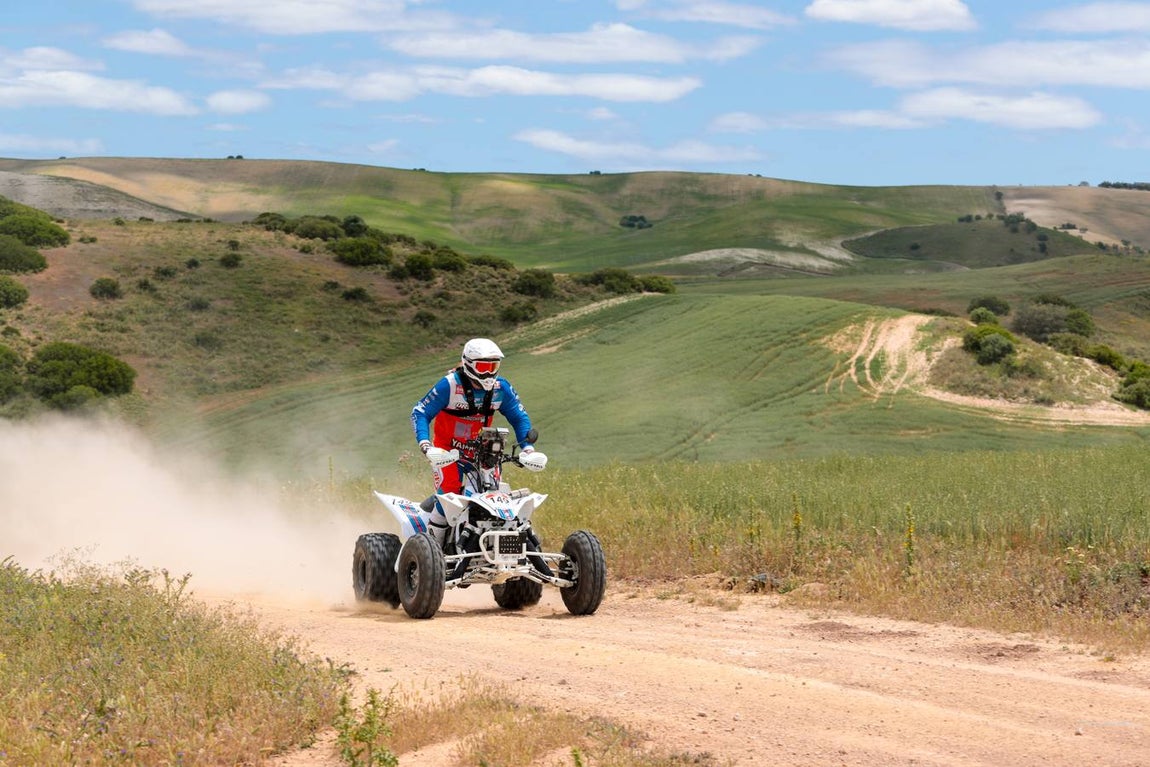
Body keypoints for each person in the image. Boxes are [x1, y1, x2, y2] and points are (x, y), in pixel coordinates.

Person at [410, 338, 547, 543]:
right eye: (483, 367)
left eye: (494, 366)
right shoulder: (450, 385)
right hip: (447, 451)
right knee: (449, 496)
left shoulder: (501, 388)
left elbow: (519, 418)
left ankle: (496, 544)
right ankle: (432, 551)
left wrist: (527, 448)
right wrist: (426, 445)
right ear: (468, 364)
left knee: (493, 496)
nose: (489, 373)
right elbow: (420, 412)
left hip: (483, 451)